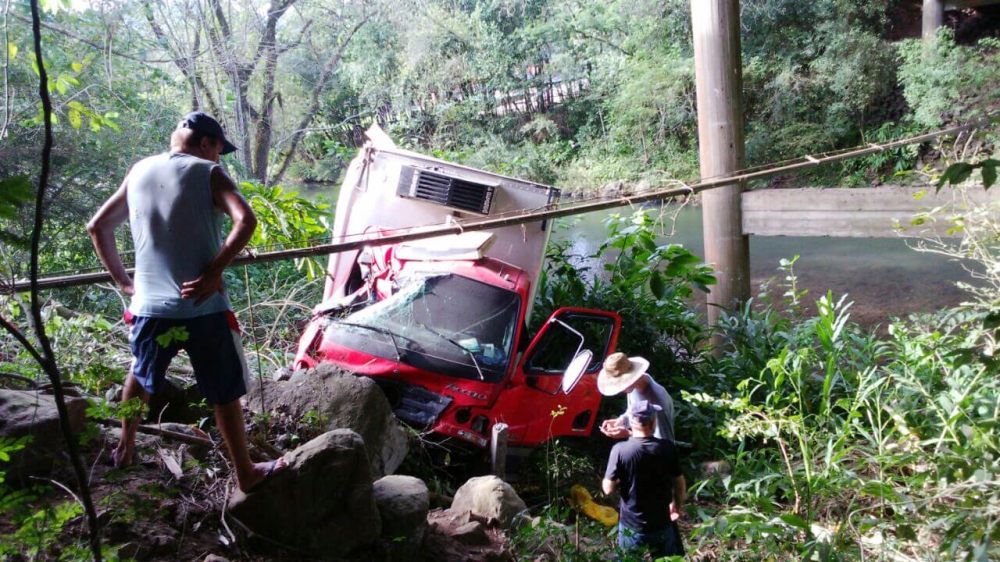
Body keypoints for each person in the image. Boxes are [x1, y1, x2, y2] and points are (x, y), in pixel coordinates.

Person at [87, 111, 286, 493]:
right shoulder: (207, 172)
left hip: (148, 307)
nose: (218, 159)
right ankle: (246, 472)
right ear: (207, 143)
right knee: (224, 392)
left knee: (140, 374)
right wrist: (214, 272)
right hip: (202, 306)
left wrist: (124, 283)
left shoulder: (139, 170)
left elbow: (98, 226)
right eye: (218, 151)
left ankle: (125, 445)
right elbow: (246, 220)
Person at [603, 400, 686, 558]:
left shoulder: (620, 450)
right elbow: (679, 482)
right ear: (652, 422)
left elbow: (608, 488)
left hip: (632, 526)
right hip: (661, 523)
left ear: (632, 423)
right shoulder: (667, 448)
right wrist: (677, 505)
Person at [597, 352, 676, 443]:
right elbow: (633, 412)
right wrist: (621, 421)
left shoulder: (657, 399)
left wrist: (629, 434)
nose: (619, 388)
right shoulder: (635, 386)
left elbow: (665, 445)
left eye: (620, 383)